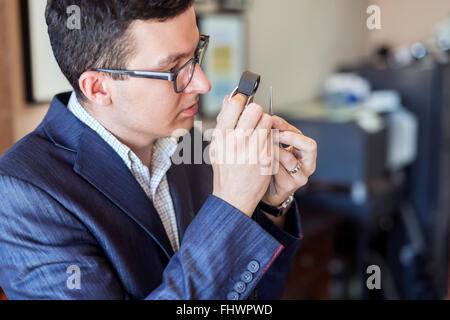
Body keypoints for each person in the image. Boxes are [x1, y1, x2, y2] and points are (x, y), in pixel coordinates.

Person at [0, 0, 317, 300]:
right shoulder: (21, 193)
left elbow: (254, 295)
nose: (203, 83)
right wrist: (231, 206)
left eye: (196, 54)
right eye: (175, 69)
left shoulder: (191, 143)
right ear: (98, 88)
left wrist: (266, 205)